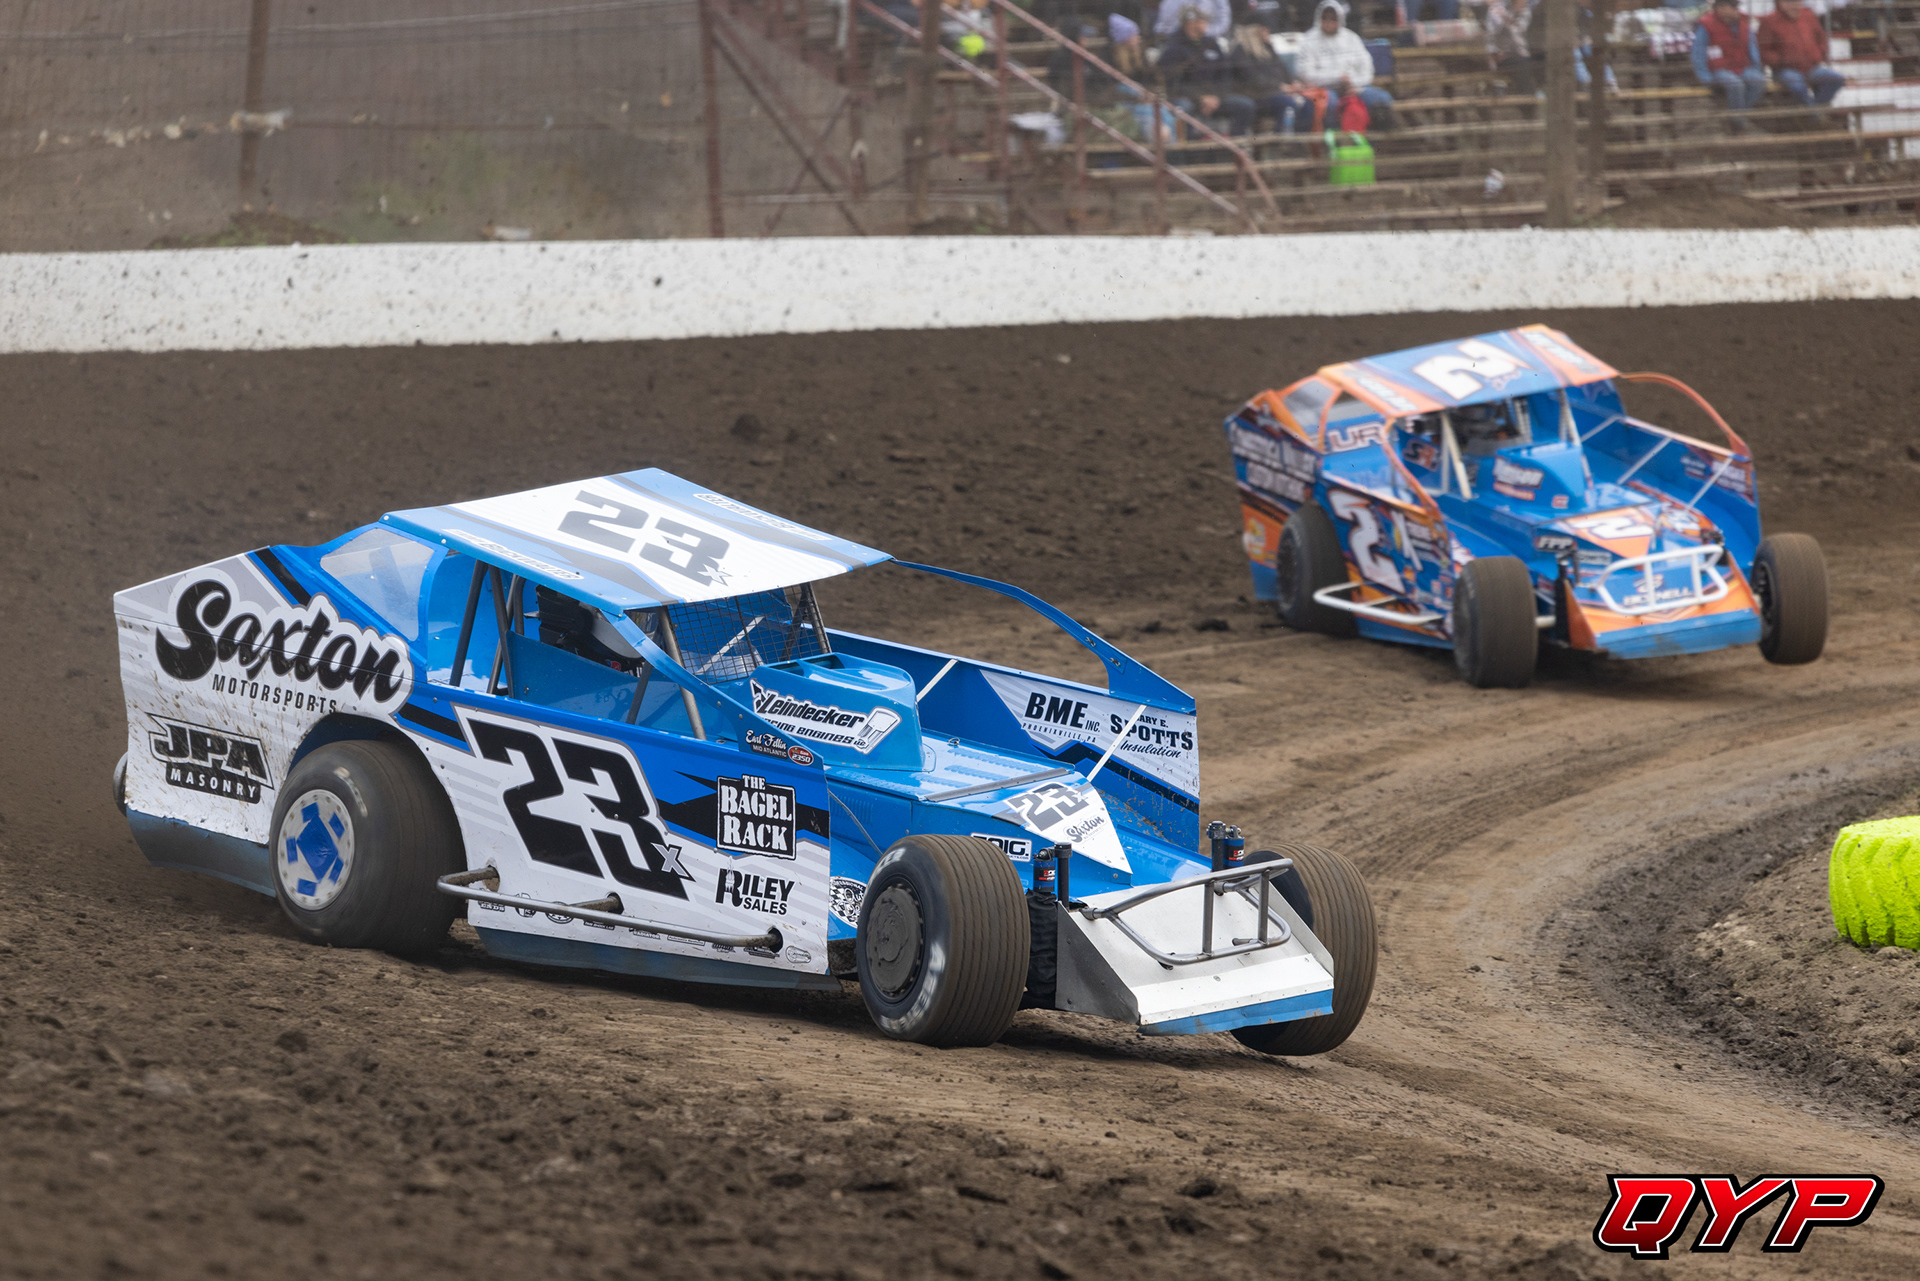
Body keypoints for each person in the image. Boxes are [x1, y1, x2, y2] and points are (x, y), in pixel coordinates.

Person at [1295, 0, 1394, 130]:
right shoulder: (1309, 40)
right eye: (1325, 18)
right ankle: (1335, 138)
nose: (1329, 22)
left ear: (1340, 19)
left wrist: (1354, 84)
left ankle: (1371, 138)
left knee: (1382, 98)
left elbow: (1367, 68)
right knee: (1331, 103)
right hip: (1324, 89)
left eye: (1333, 18)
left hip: (1354, 86)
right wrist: (1337, 78)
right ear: (1319, 18)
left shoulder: (1351, 38)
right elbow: (1306, 74)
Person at [1759, 0, 1844, 108]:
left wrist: (1817, 55)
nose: (1794, 5)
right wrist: (1782, 60)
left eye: (1797, 1)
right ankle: (1816, 114)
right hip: (1785, 70)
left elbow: (1821, 39)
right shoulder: (1769, 21)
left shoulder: (1809, 16)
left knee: (1836, 79)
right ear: (1780, 3)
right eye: (1790, 2)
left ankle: (1814, 112)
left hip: (1812, 67)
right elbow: (1763, 51)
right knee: (1798, 87)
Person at [1691, 0, 1767, 119]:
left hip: (1742, 67)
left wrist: (1757, 69)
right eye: (1732, 5)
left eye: (1736, 5)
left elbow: (1753, 49)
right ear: (1720, 8)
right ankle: (1738, 121)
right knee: (1735, 84)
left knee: (1759, 81)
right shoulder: (1706, 25)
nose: (1736, 9)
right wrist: (1705, 77)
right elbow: (1698, 53)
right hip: (1718, 69)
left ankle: (1738, 117)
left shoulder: (1744, 25)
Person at [1153, 0, 1230, 39]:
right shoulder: (1171, 2)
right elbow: (1161, 29)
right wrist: (1185, 29)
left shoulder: (1219, 2)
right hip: (1178, 41)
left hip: (1209, 39)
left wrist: (1207, 30)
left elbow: (1224, 25)